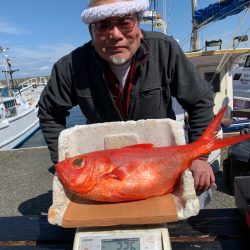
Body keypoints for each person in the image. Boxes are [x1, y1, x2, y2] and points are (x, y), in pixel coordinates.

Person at [38, 0, 215, 193]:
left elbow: (200, 100)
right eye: (103, 25)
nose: (115, 34)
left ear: (138, 23)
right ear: (91, 32)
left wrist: (200, 158)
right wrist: (63, 162)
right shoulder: (70, 67)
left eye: (125, 22)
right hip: (105, 170)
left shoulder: (165, 50)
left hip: (161, 163)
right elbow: (49, 112)